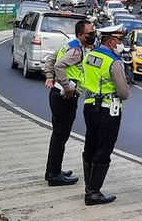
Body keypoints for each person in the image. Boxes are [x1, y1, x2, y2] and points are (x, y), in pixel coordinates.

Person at [81, 24, 131, 206]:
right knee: (104, 148)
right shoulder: (114, 62)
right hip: (108, 109)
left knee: (90, 144)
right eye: (119, 41)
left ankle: (89, 186)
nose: (121, 44)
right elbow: (124, 93)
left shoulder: (90, 55)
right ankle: (93, 192)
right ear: (111, 42)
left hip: (89, 106)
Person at [42, 19, 95, 186]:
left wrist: (50, 77)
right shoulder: (76, 50)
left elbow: (50, 59)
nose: (93, 36)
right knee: (60, 136)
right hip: (65, 96)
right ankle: (54, 174)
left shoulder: (69, 44)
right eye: (89, 34)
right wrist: (67, 86)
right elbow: (58, 65)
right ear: (80, 35)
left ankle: (54, 170)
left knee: (59, 136)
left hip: (57, 94)